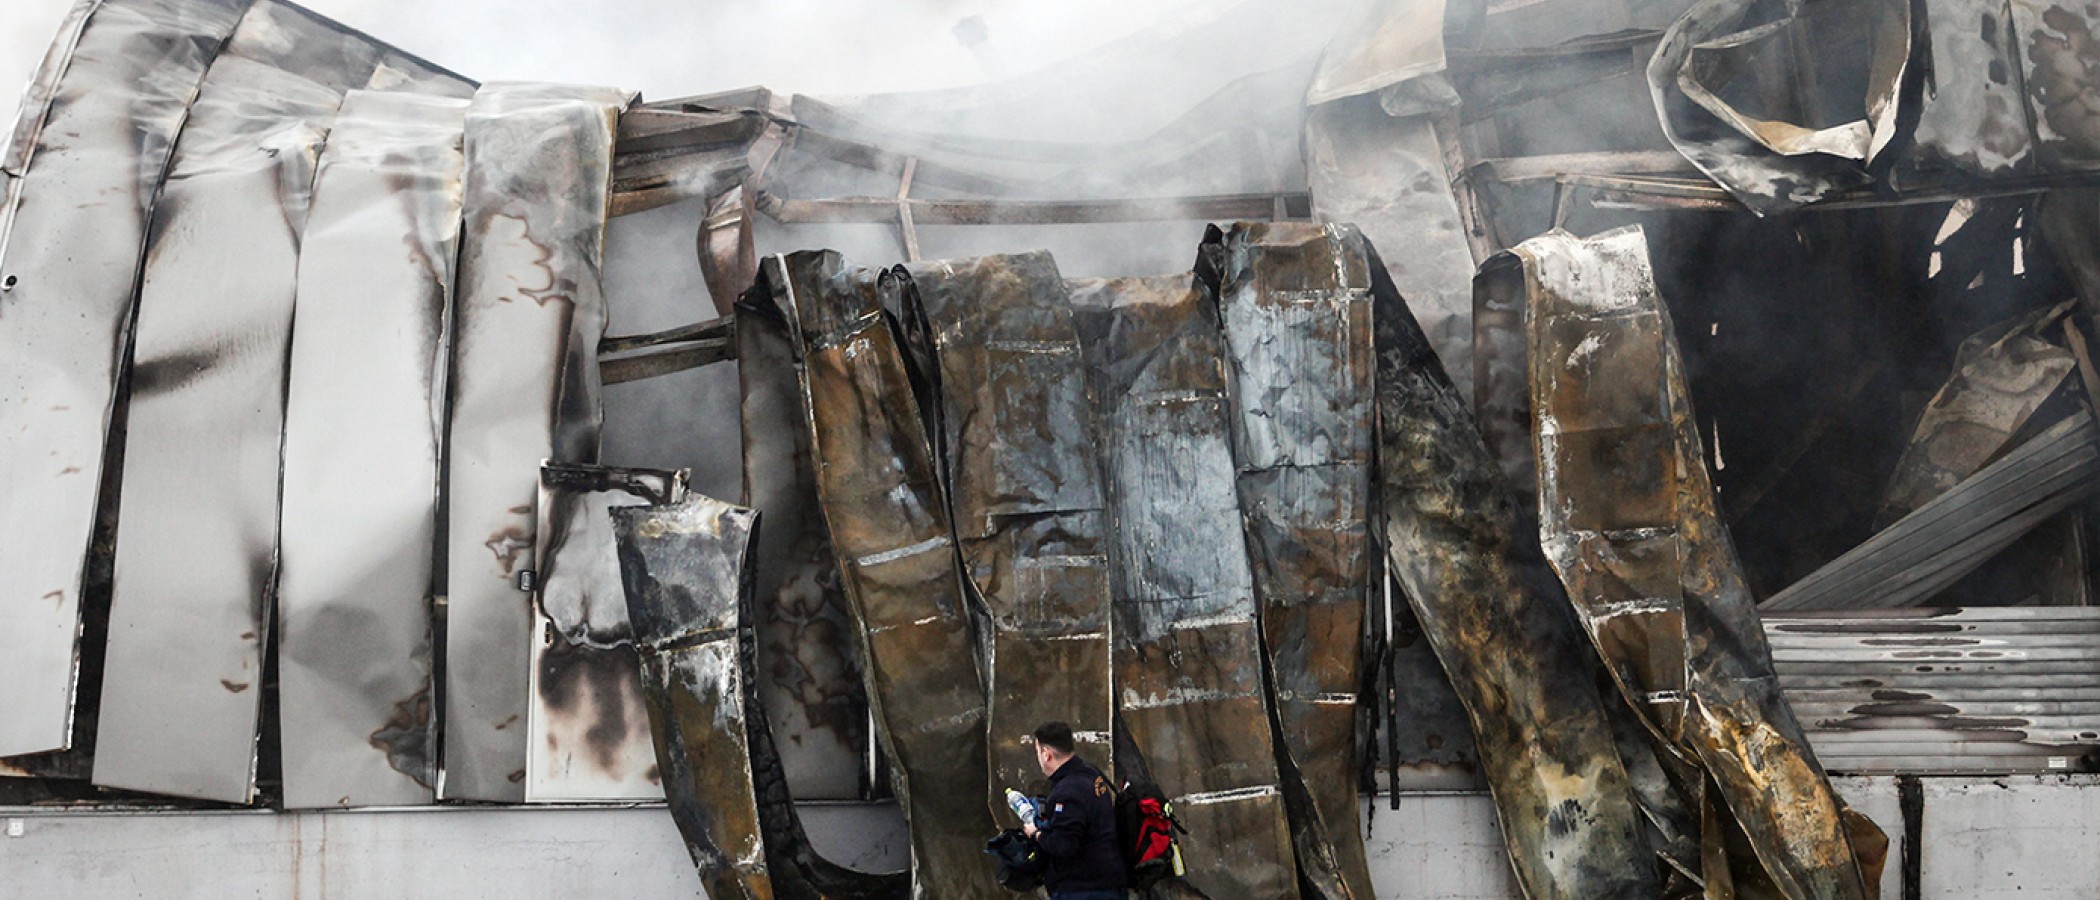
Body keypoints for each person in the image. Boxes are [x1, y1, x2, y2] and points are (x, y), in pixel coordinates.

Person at [1021, 721, 1128, 900]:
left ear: (1046, 754)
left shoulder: (1067, 792)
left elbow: (1063, 845)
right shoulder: (1092, 775)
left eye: (1037, 752)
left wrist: (1036, 833)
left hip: (1083, 888)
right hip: (1110, 880)